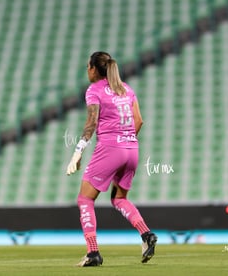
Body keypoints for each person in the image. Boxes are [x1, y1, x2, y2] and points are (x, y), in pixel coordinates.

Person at [66, 51, 157, 266]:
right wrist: (125, 141)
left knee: (85, 200)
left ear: (94, 69)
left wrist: (77, 152)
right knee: (119, 199)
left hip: (110, 149)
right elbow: (139, 121)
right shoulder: (127, 89)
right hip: (132, 149)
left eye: (88, 66)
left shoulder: (94, 90)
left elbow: (92, 122)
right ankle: (146, 235)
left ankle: (93, 253)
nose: (87, 70)